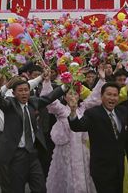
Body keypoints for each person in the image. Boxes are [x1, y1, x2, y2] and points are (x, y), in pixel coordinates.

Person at [0, 69, 66, 193]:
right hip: (16, 155)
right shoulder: (10, 104)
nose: (24, 94)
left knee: (40, 188)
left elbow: (49, 97)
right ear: (14, 93)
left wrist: (67, 85)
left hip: (32, 154)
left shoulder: (33, 102)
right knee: (16, 188)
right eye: (20, 91)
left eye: (26, 90)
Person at [42, 64, 105, 193]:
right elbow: (49, 101)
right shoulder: (61, 110)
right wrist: (47, 81)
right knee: (65, 179)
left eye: (75, 94)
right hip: (65, 151)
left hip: (82, 152)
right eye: (69, 94)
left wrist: (102, 80)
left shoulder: (83, 109)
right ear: (64, 97)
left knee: (83, 180)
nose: (73, 97)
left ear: (79, 96)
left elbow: (94, 98)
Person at [68, 82, 128, 193]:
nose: (112, 98)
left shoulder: (122, 111)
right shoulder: (92, 113)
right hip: (102, 168)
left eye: (115, 95)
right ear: (102, 96)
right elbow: (77, 126)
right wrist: (73, 111)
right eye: (109, 94)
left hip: (119, 166)